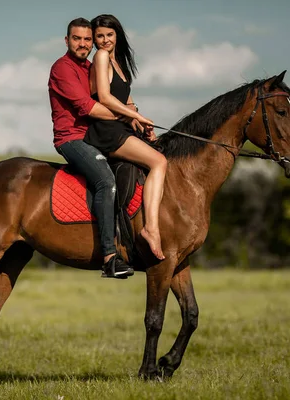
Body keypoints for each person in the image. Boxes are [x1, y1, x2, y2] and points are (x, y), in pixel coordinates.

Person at [48, 17, 134, 278]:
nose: (83, 44)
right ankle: (109, 256)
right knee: (105, 182)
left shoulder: (90, 66)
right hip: (72, 140)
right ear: (67, 40)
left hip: (94, 136)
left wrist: (134, 114)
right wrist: (128, 116)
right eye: (77, 38)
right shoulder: (62, 69)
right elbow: (88, 107)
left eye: (87, 39)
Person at [84, 14, 167, 260]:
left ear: (117, 35)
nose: (105, 40)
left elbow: (127, 102)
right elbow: (106, 98)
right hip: (106, 132)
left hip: (121, 127)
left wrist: (141, 122)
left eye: (109, 35)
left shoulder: (116, 60)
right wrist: (135, 118)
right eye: (99, 36)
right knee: (159, 162)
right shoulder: (100, 57)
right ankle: (150, 229)